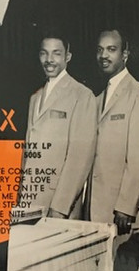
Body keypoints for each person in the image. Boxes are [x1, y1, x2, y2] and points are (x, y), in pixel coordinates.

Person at [20, 35, 96, 219]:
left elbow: (80, 157)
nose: (49, 59)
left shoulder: (82, 95)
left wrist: (60, 207)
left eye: (56, 53)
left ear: (67, 57)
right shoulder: (35, 97)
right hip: (29, 200)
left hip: (58, 206)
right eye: (44, 53)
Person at [88, 28, 139, 234]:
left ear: (125, 54)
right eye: (100, 50)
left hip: (121, 215)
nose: (103, 55)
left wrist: (126, 206)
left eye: (111, 49)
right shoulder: (96, 99)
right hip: (92, 211)